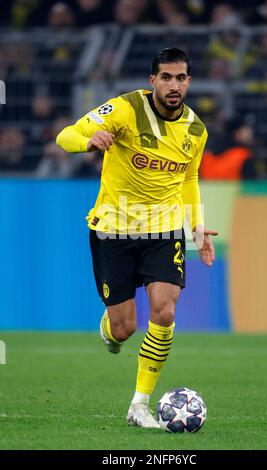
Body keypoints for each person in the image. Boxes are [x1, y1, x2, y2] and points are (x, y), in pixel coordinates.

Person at [56, 48, 217, 429]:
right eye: (166, 77)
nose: (174, 85)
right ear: (153, 80)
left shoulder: (196, 130)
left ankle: (139, 404)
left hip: (164, 230)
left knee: (164, 310)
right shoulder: (125, 109)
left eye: (181, 78)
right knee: (123, 328)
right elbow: (66, 135)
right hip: (114, 229)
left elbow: (189, 179)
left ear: (189, 82)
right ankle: (110, 331)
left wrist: (196, 225)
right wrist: (88, 139)